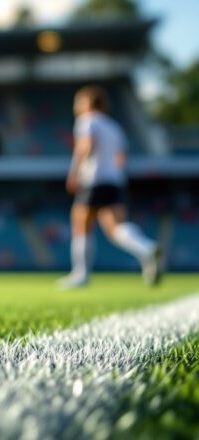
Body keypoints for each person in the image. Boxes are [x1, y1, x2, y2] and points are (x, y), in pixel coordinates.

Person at [59, 85, 162, 289]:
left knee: (81, 225)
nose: (76, 105)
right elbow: (121, 158)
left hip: (94, 180)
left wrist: (76, 172)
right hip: (114, 181)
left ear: (88, 103)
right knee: (116, 228)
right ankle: (146, 247)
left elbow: (85, 146)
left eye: (79, 101)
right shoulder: (114, 126)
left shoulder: (87, 121)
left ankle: (81, 274)